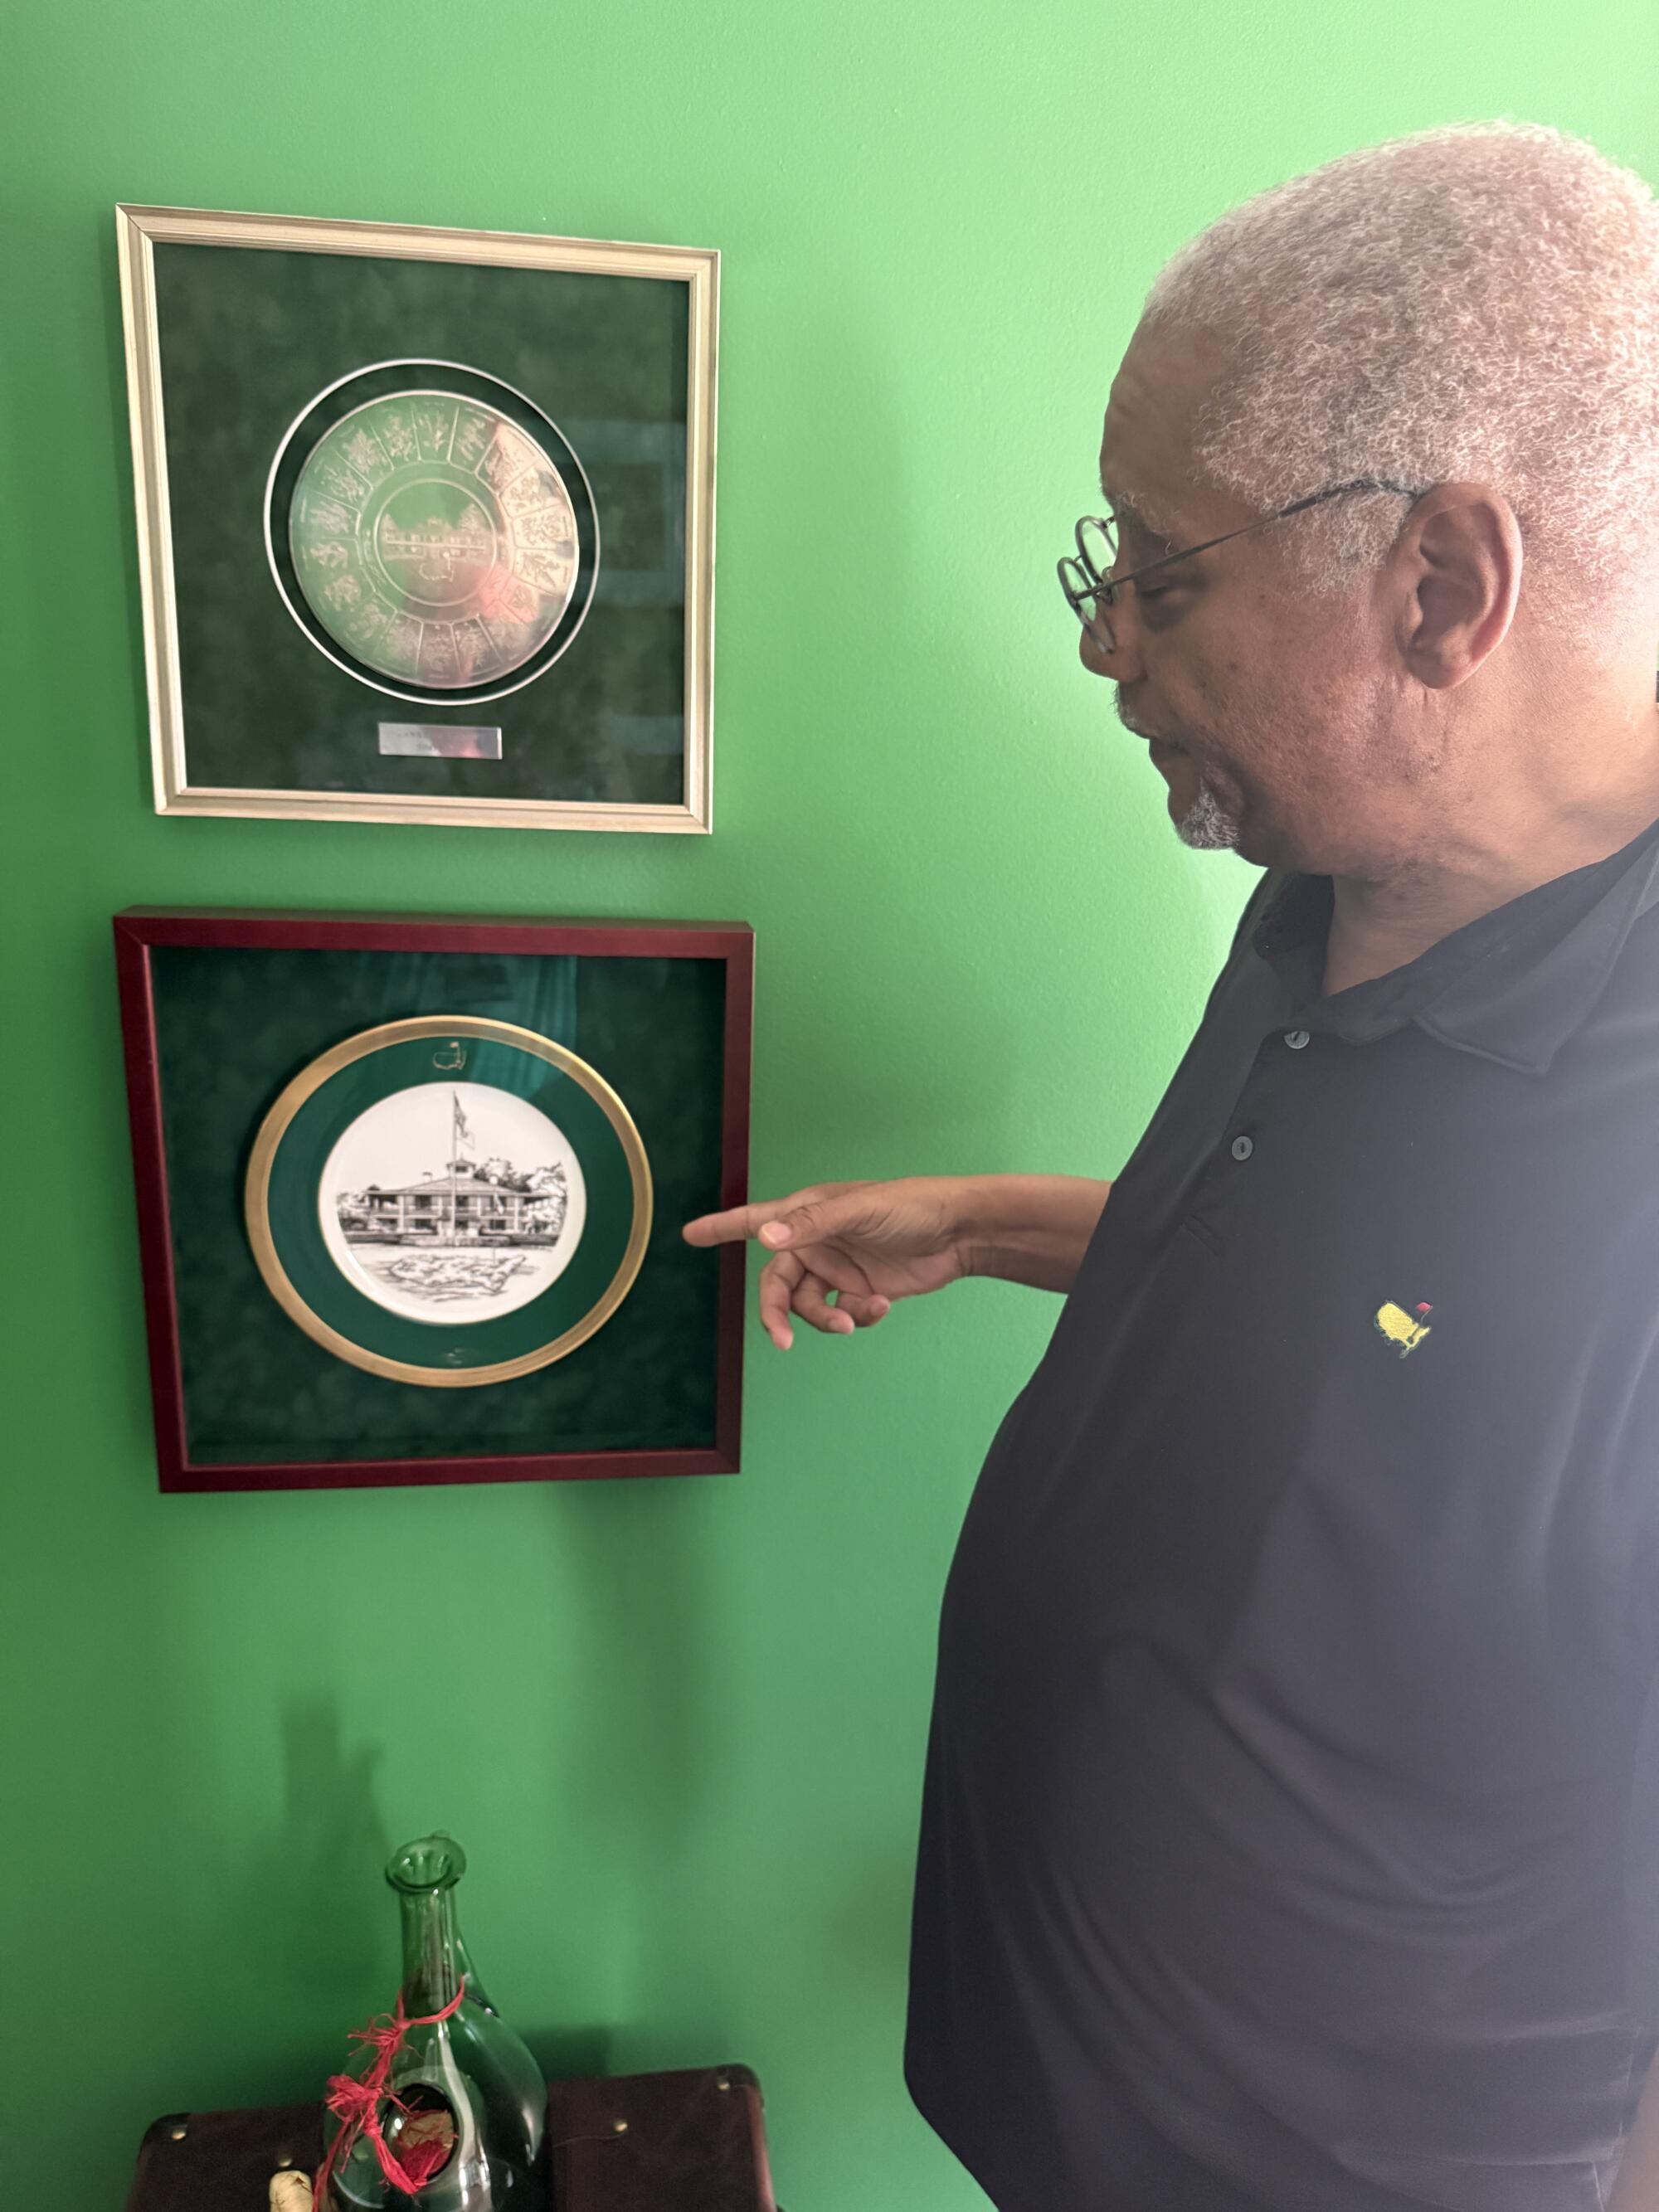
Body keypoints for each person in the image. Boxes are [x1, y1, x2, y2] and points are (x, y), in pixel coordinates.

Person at [684, 119, 1659, 2211]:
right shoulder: (1336, 873)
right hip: (1070, 2101)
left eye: (1165, 573)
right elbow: (1368, 1321)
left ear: (1442, 587)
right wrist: (985, 1218)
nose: (1103, 638)